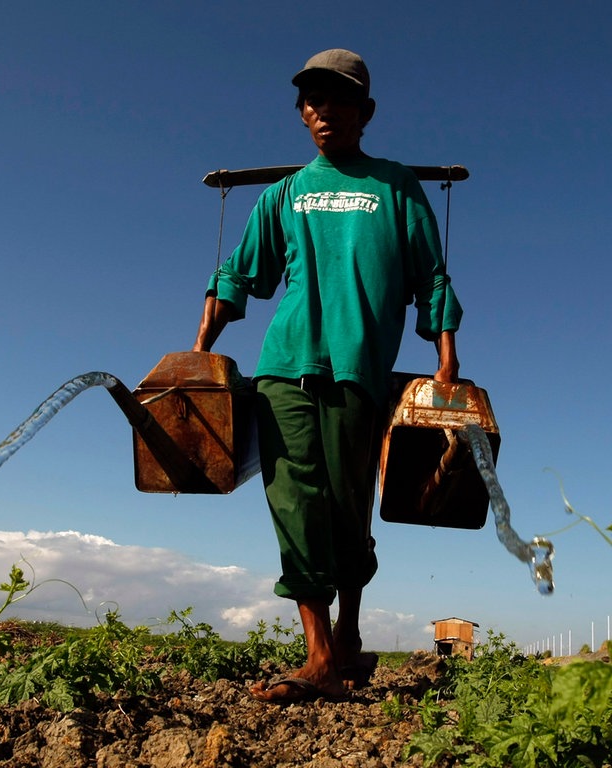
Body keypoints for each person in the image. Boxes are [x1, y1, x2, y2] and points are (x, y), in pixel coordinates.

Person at [192, 49, 463, 703]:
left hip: (358, 372)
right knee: (294, 505)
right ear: (301, 112)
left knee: (347, 509)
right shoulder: (282, 195)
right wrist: (200, 345)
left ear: (365, 112)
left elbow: (430, 277)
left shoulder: (397, 189)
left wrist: (446, 358)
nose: (324, 109)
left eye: (339, 98)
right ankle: (318, 659)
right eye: (312, 99)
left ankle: (347, 634)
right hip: (284, 367)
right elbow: (237, 277)